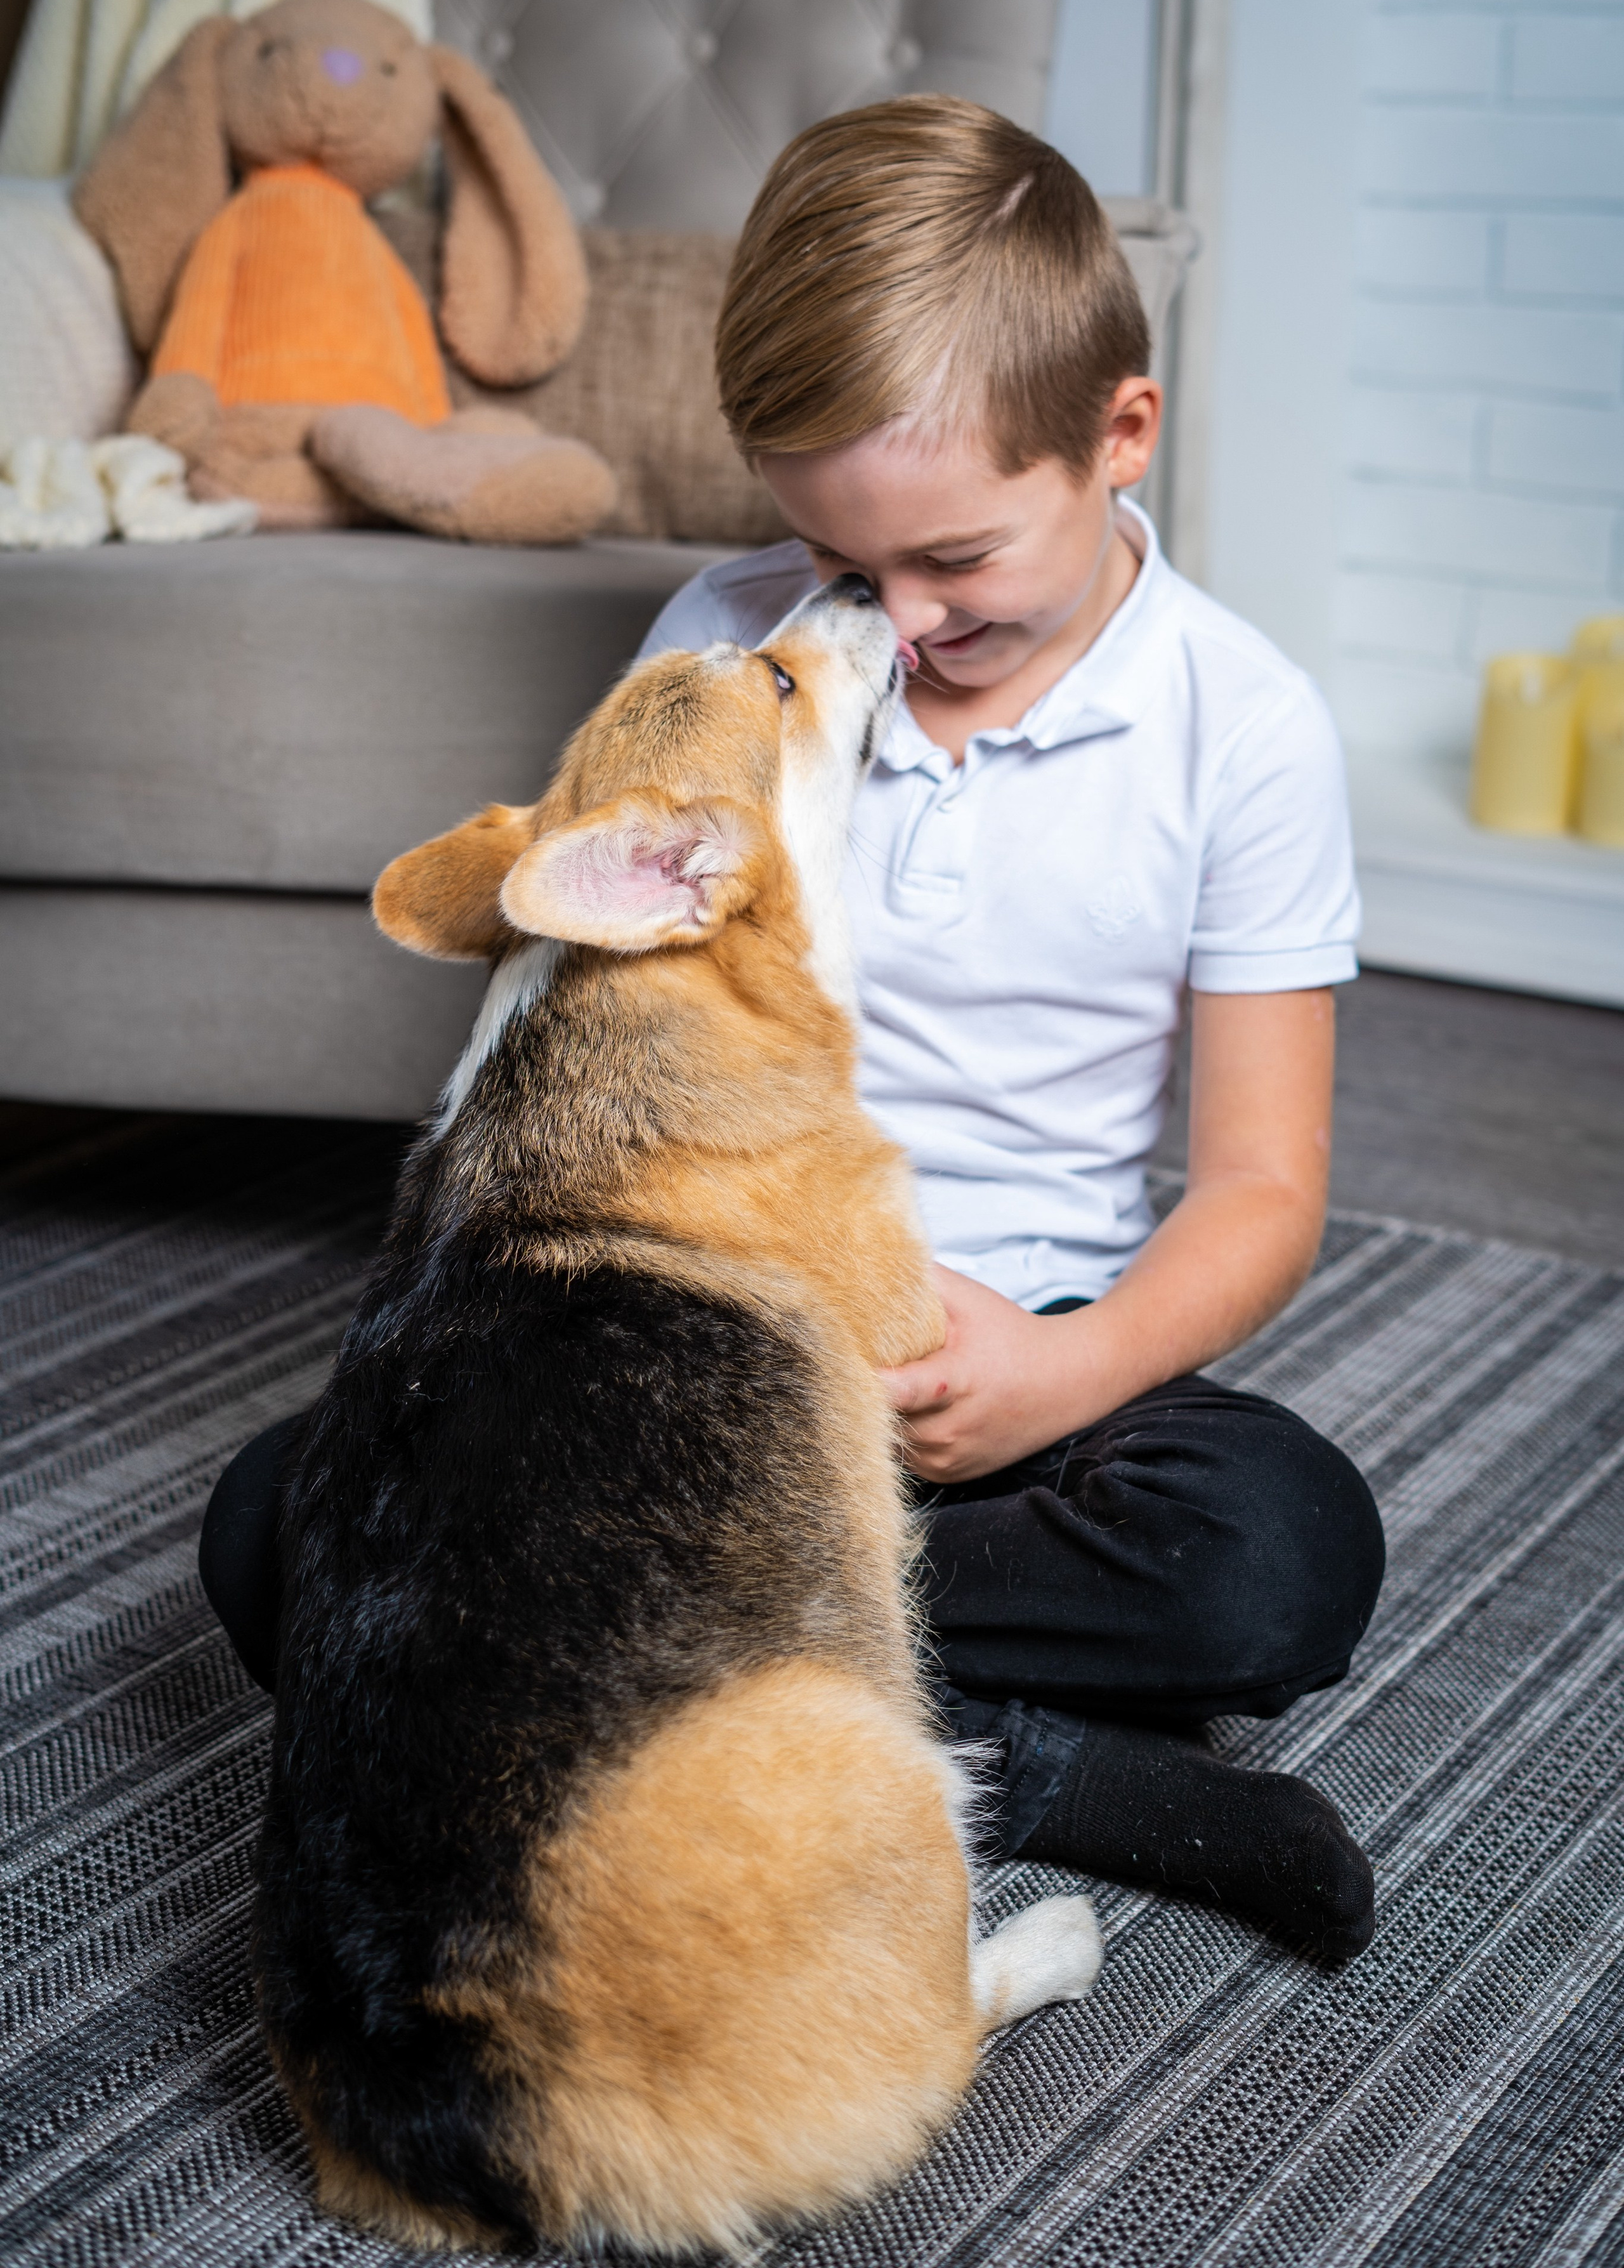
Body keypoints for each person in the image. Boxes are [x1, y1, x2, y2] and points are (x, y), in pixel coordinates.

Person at [201, 96, 1384, 1958]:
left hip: (1013, 1364)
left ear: (1122, 432)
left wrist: (1058, 1380)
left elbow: (1263, 1184)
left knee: (1280, 1545)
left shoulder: (1246, 728)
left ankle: (780, 1705)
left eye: (958, 564)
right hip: (710, 1354)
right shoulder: (734, 635)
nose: (894, 627)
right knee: (278, 1525)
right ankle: (1026, 1762)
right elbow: (625, 1001)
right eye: (835, 557)